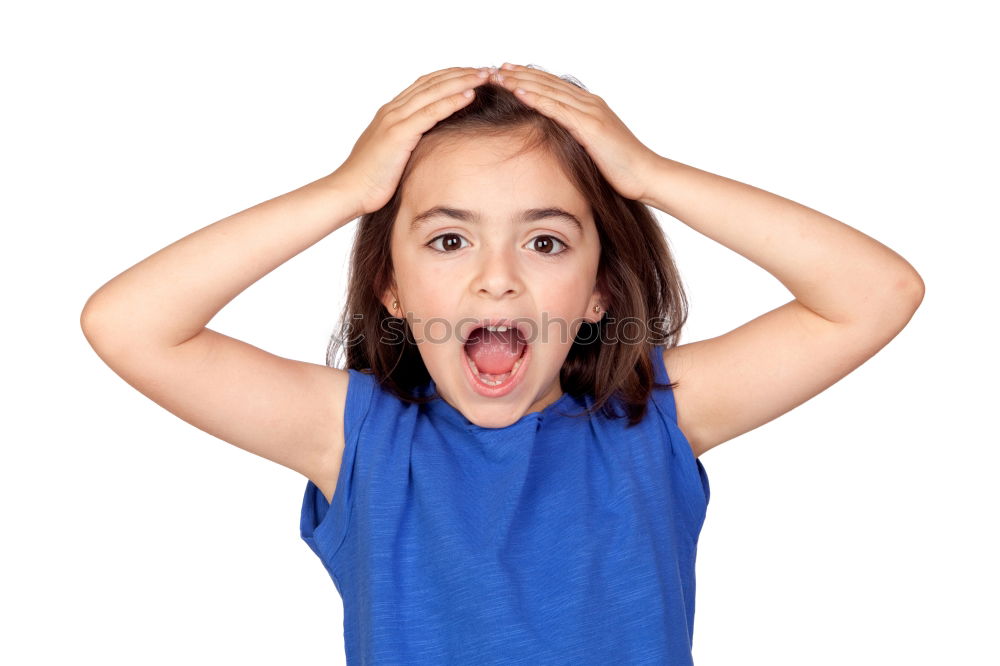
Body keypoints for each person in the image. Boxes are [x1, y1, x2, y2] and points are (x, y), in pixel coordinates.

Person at [80, 62, 925, 664]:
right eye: (449, 239)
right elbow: (129, 325)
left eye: (546, 240)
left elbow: (874, 292)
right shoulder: (357, 439)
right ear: (392, 288)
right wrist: (345, 190)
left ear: (597, 292)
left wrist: (649, 174)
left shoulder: (654, 420)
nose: (496, 275)